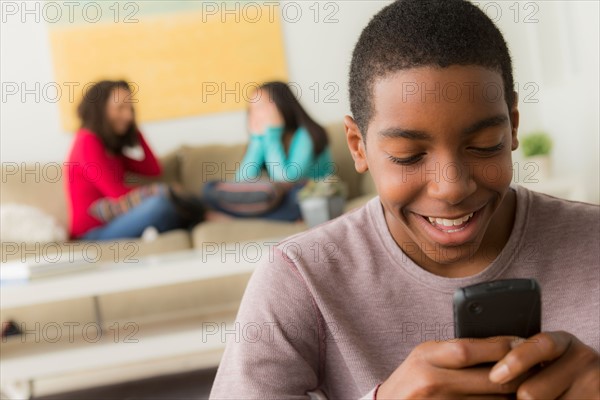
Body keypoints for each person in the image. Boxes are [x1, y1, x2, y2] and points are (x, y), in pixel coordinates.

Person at [209, 1, 600, 399]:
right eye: (408, 156)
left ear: (513, 126)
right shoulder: (301, 278)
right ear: (358, 147)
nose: (451, 188)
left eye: (485, 146)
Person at [65, 80, 187, 240]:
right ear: (100, 110)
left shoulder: (111, 149)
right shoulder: (86, 141)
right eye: (121, 108)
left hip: (118, 222)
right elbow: (117, 195)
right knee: (159, 205)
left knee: (170, 209)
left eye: (130, 109)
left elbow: (153, 169)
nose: (128, 115)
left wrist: (135, 131)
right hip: (93, 234)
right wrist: (159, 190)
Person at [202, 81, 334, 222]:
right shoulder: (263, 141)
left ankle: (236, 217)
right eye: (252, 110)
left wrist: (272, 134)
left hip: (313, 197)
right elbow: (240, 184)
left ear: (282, 105)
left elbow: (286, 179)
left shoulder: (305, 135)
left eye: (261, 107)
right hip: (281, 201)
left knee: (295, 194)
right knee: (212, 188)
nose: (256, 115)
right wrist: (257, 141)